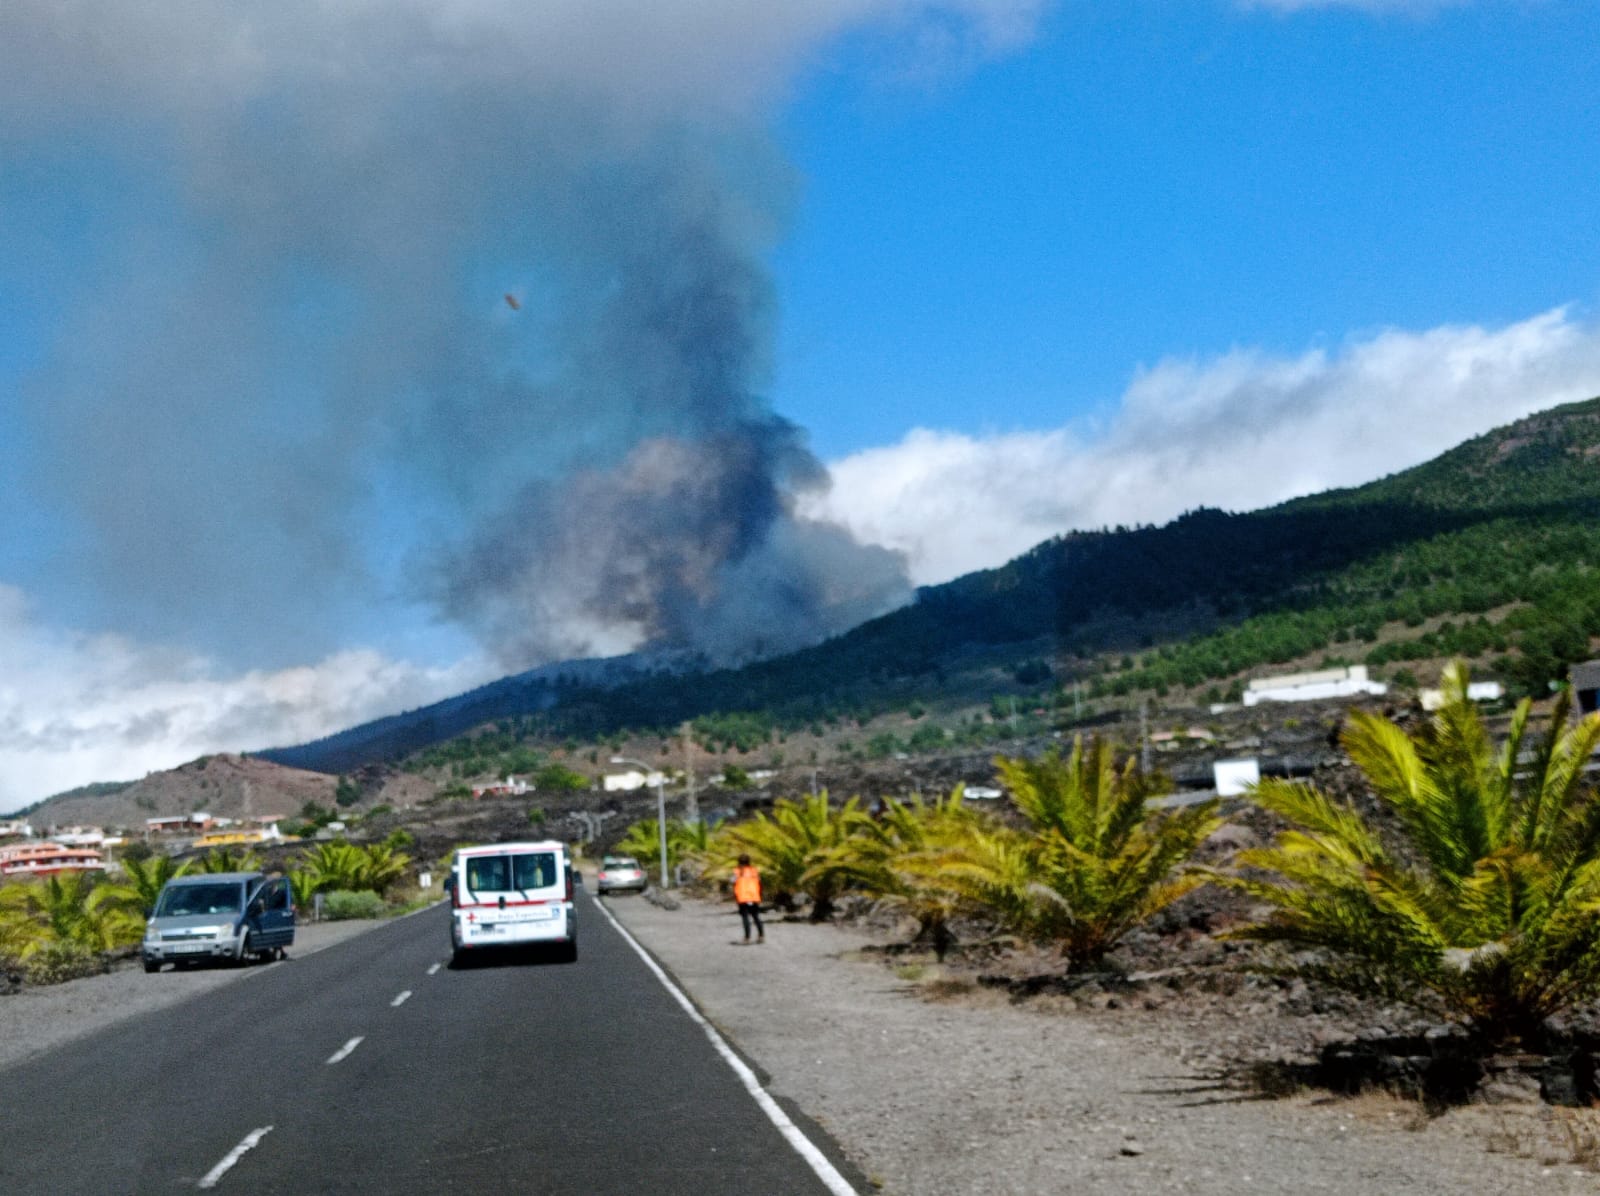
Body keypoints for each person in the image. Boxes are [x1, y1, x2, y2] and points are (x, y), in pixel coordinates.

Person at [732, 853, 764, 944]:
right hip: (754, 896)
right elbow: (760, 883)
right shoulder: (754, 871)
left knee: (745, 918)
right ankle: (761, 935)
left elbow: (733, 882)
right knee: (756, 916)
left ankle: (747, 938)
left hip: (742, 897)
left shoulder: (737, 872)